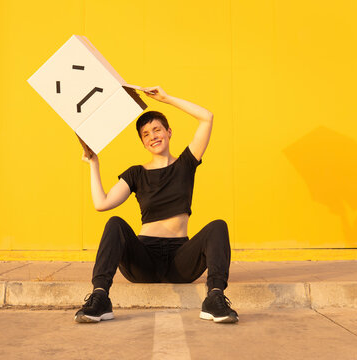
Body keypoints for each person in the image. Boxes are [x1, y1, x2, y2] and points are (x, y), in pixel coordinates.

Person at [75, 86, 237, 324]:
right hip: (144, 260)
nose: (153, 136)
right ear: (143, 142)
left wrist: (166, 99)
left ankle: (214, 297)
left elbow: (207, 117)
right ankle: (100, 297)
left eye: (157, 130)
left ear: (169, 132)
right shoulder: (136, 174)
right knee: (115, 223)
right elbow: (102, 203)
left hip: (181, 261)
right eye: (146, 134)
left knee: (218, 226)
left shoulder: (186, 163)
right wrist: (94, 163)